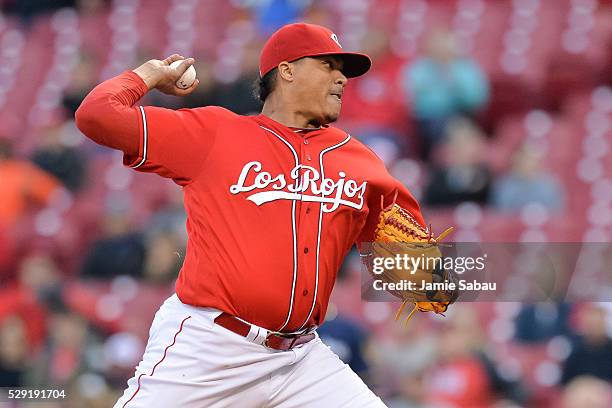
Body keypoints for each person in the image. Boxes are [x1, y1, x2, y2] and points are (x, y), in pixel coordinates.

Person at [76, 22, 430, 407]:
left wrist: (432, 275)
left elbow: (425, 273)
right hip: (209, 348)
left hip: (300, 360)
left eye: (343, 71)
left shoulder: (360, 161)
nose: (342, 78)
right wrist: (149, 74)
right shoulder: (215, 133)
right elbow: (96, 115)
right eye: (328, 65)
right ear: (287, 69)